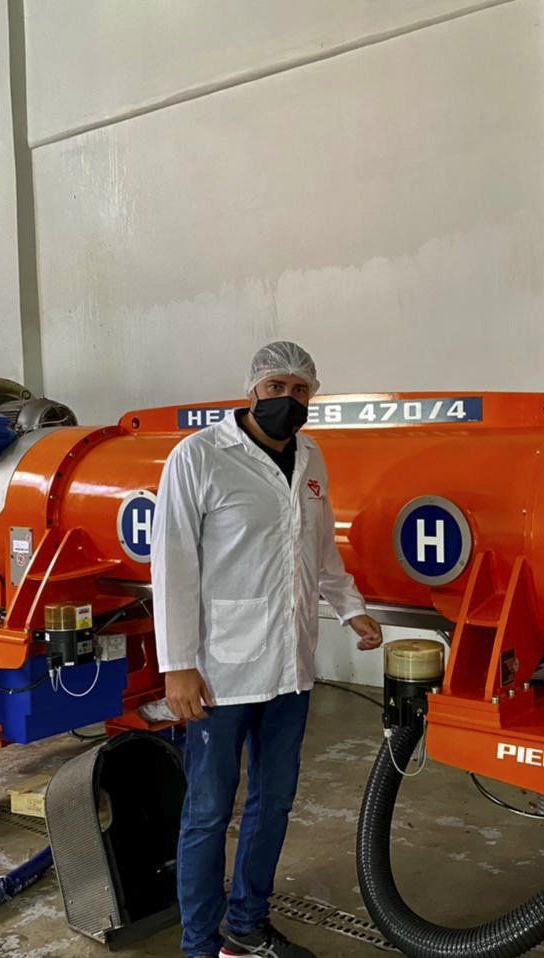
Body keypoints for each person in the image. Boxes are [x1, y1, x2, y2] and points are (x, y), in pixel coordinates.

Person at [152, 341, 383, 958]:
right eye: (276, 387)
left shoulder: (311, 457)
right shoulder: (199, 456)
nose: (288, 399)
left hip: (290, 665)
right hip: (219, 670)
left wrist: (351, 608)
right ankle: (199, 944)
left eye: (300, 390)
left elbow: (321, 550)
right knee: (208, 811)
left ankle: (247, 928)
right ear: (251, 391)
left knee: (274, 802)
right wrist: (178, 665)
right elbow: (172, 565)